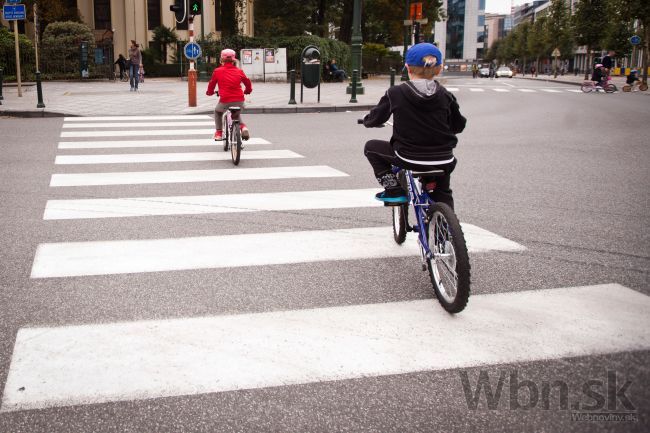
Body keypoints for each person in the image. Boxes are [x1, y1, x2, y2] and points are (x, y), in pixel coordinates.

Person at [361, 43, 466, 208]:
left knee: (370, 147)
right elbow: (458, 125)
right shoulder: (446, 95)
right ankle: (447, 229)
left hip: (408, 157)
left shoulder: (395, 93)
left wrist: (368, 121)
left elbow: (377, 118)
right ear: (439, 69)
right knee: (443, 192)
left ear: (407, 67)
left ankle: (393, 189)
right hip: (443, 159)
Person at [206, 48, 253, 141]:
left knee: (218, 112)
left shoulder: (217, 71)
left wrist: (210, 92)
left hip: (225, 100)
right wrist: (247, 91)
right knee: (236, 114)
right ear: (234, 59)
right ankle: (243, 128)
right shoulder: (239, 71)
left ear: (222, 59)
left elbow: (212, 84)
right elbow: (247, 82)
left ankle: (219, 133)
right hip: (239, 100)